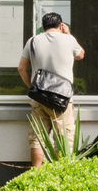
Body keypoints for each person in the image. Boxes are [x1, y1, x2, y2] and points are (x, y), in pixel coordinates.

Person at [18, 12, 85, 167]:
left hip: (39, 97)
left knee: (37, 136)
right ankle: (59, 173)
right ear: (60, 25)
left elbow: (22, 68)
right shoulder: (69, 39)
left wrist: (32, 88)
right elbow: (81, 55)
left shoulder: (33, 41)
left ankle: (36, 173)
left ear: (43, 27)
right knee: (64, 137)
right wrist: (68, 33)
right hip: (62, 99)